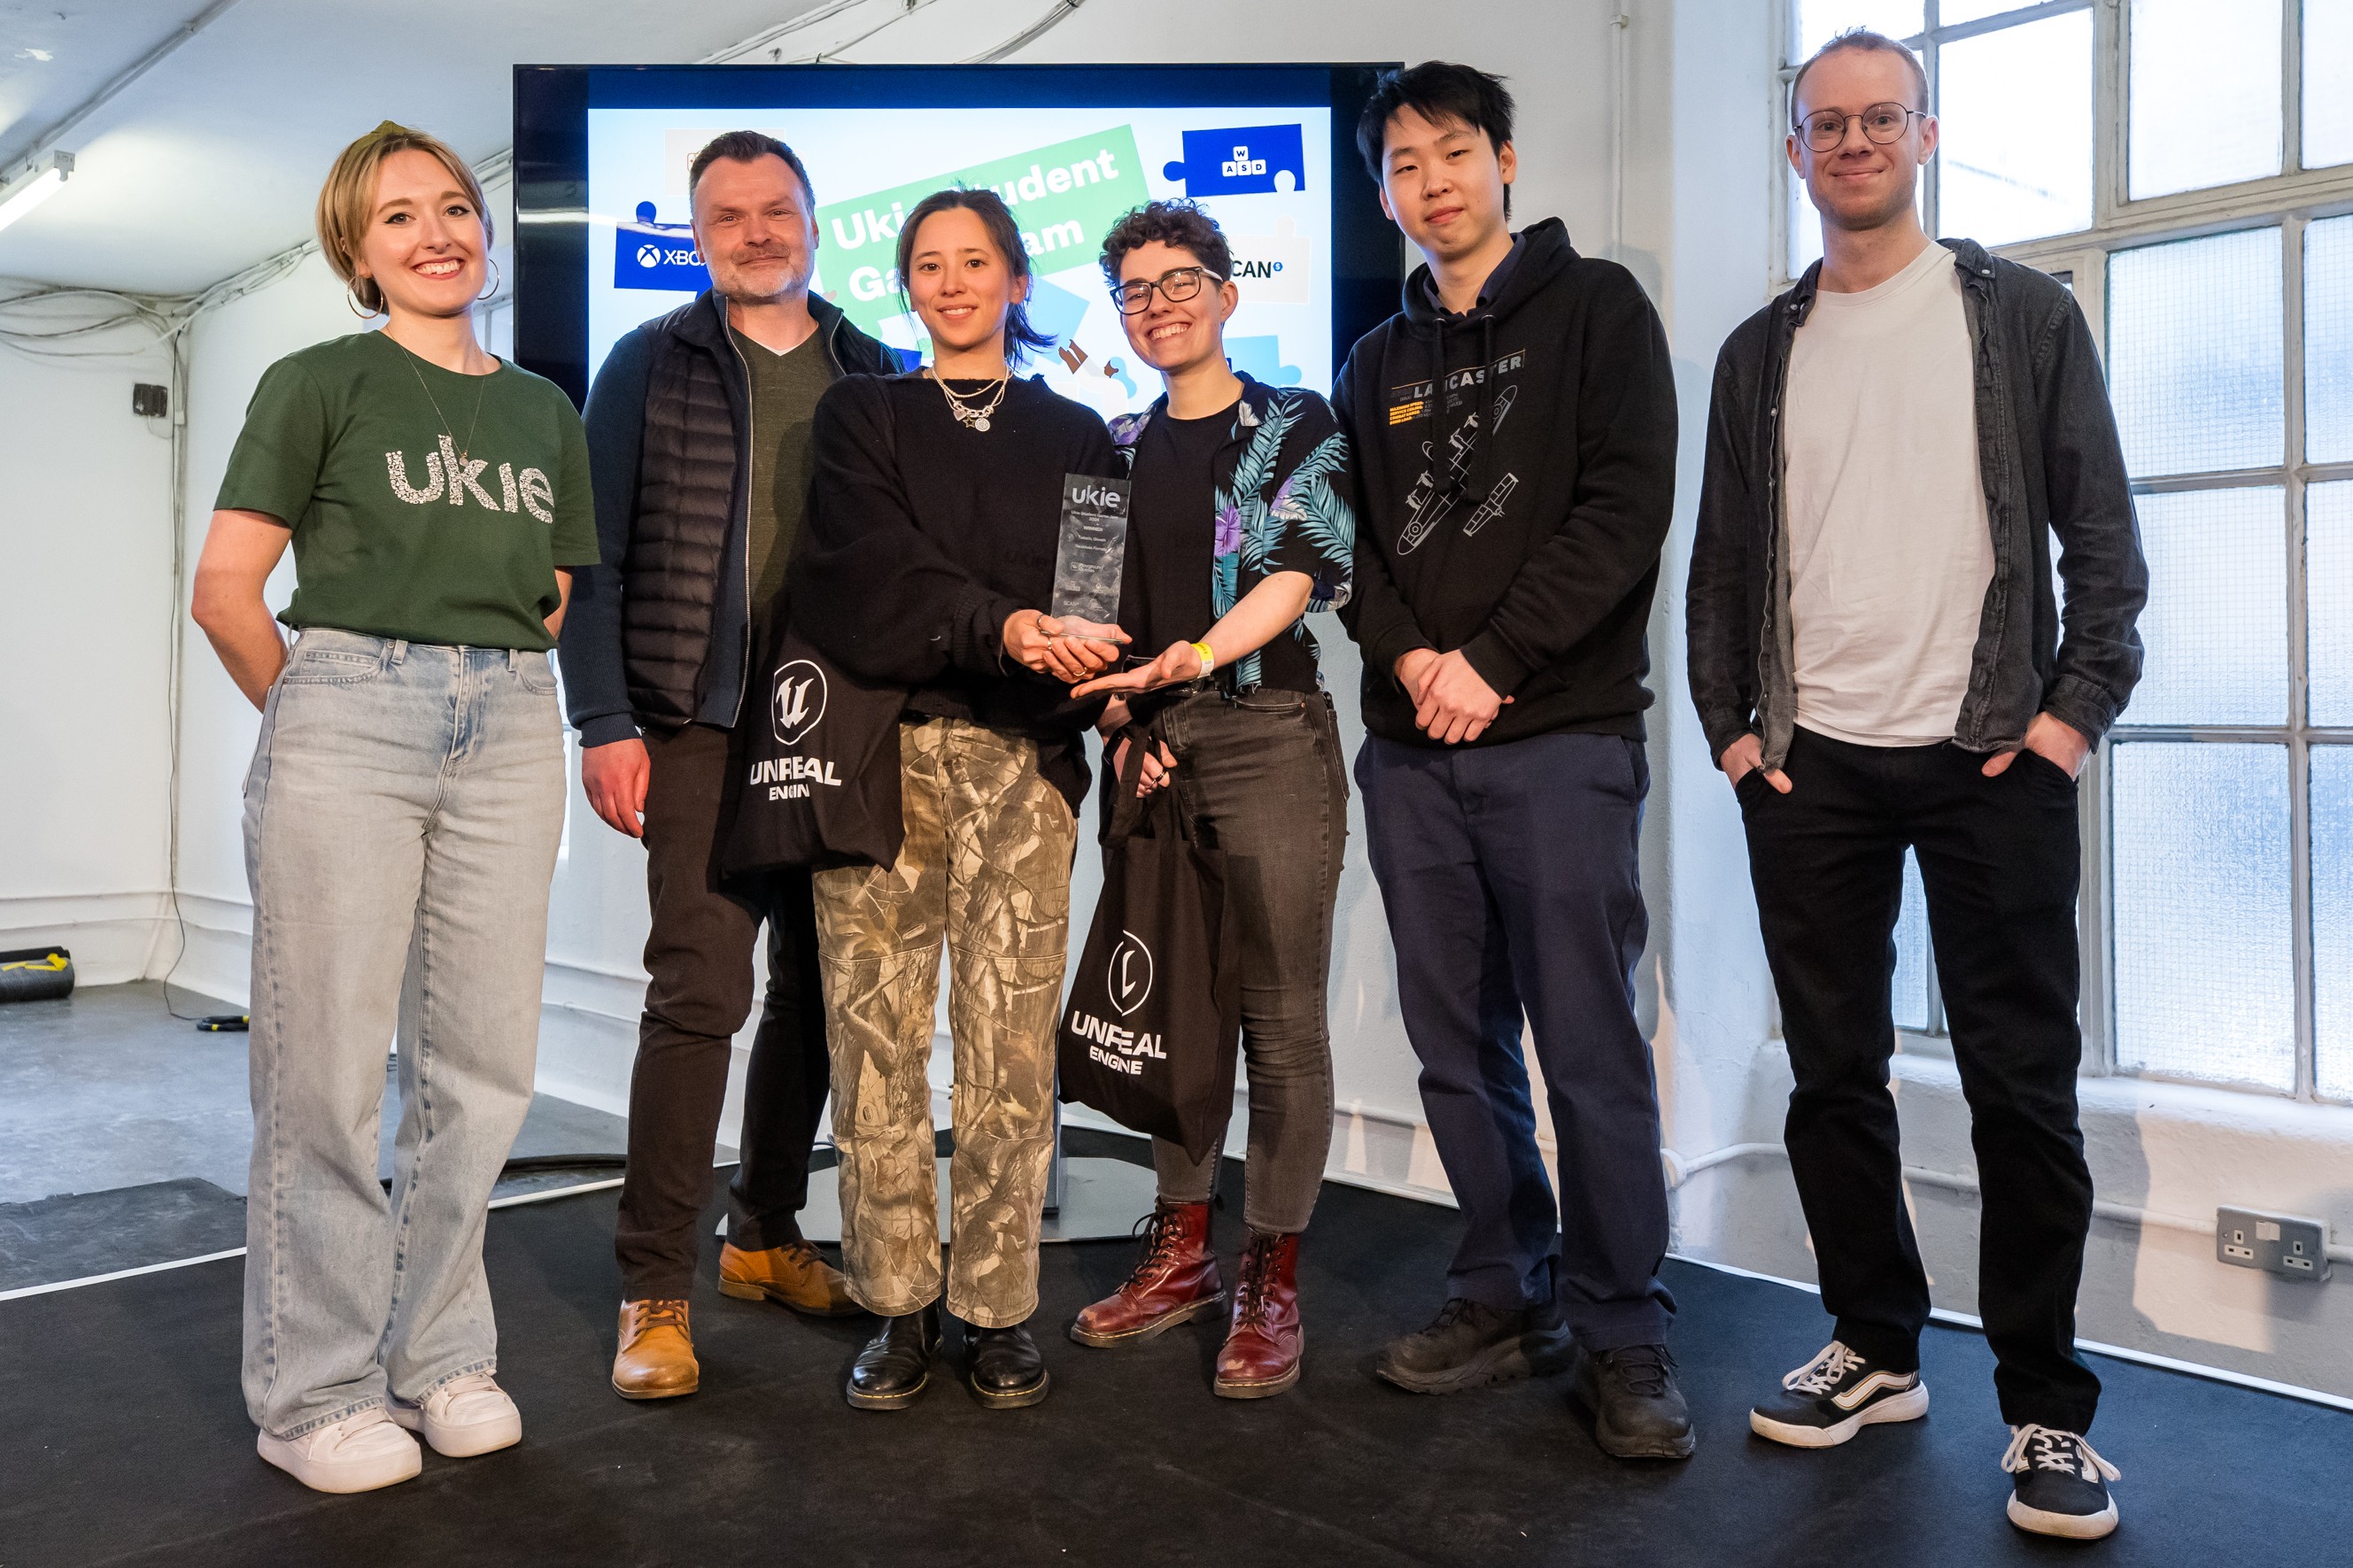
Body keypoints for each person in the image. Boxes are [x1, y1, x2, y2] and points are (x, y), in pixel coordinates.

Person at [1687, 30, 2148, 1541]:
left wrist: (2074, 716)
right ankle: (1877, 1347)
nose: (1853, 140)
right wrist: (1733, 735)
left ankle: (2043, 1411)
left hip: (1988, 755)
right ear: (1796, 148)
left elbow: (2101, 540)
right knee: (1833, 1078)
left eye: (1880, 116)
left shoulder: (2019, 317)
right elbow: (1720, 570)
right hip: (1808, 765)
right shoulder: (1760, 350)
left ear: (1925, 135)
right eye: (1827, 122)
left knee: (2021, 1090)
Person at [190, 121, 598, 1493]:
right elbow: (227, 592)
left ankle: (438, 1360)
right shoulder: (318, 382)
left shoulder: (546, 408)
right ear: (356, 256)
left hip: (510, 722)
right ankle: (311, 1394)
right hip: (350, 706)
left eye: (454, 207)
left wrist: (473, 701)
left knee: (480, 1068)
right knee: (323, 1074)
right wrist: (317, 727)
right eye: (398, 219)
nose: (437, 234)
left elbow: (547, 593)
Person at [1334, 63, 1690, 1460]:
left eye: (1455, 152)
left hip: (1559, 743)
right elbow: (1346, 541)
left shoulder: (1598, 310)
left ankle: (1623, 1330)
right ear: (1383, 194)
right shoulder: (1375, 361)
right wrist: (1415, 661)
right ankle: (1502, 1290)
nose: (1433, 181)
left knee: (1589, 1050)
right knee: (1454, 1050)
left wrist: (1492, 663)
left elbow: (1623, 512)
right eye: (1406, 164)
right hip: (1411, 752)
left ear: (1505, 164)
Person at [561, 132, 900, 1402]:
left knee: (818, 990)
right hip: (692, 726)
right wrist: (600, 718)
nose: (756, 232)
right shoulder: (648, 363)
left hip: (839, 730)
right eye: (727, 216)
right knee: (700, 995)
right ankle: (654, 1286)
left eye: (776, 211)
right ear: (698, 235)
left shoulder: (874, 367)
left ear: (815, 221)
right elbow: (589, 555)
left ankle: (761, 1231)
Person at [788, 188, 1124, 1412]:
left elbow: (1088, 597)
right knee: (875, 1049)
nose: (951, 282)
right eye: (927, 264)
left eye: (974, 261)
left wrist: (1054, 647)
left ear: (1016, 281)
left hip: (1025, 764)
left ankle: (992, 1307)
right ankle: (895, 1304)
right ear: (907, 286)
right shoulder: (859, 415)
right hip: (882, 760)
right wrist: (1001, 621)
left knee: (1007, 1047)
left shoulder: (1081, 433)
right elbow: (864, 569)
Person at [1062, 200, 1357, 1399]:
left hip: (1268, 731)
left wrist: (1184, 665)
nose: (1159, 306)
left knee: (1280, 1018)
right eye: (1134, 291)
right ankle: (1179, 1251)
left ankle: (1268, 1277)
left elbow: (1299, 571)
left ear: (1227, 295)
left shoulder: (1296, 423)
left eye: (1179, 282)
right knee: (1177, 1009)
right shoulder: (1108, 449)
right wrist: (1120, 718)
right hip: (1150, 752)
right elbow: (1086, 621)